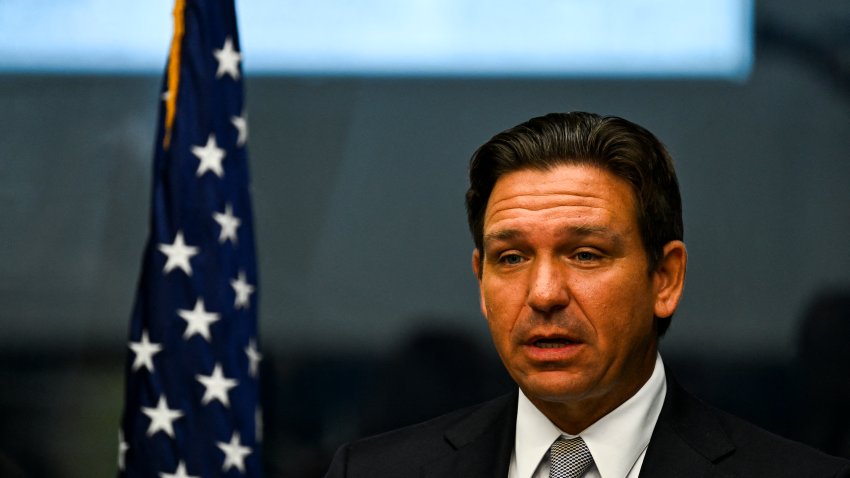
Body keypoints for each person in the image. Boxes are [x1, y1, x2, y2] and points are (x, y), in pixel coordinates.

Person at [324, 112, 850, 477]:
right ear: (481, 282)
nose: (544, 294)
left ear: (665, 278)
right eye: (511, 258)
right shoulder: (371, 472)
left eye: (586, 255)